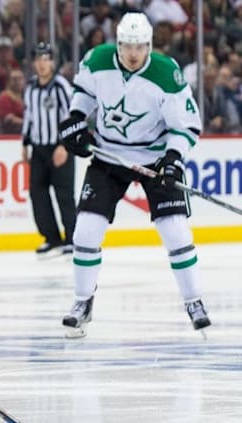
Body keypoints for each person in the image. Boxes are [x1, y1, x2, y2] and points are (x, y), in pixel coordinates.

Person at [58, 12, 210, 338]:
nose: (132, 54)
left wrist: (172, 159)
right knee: (85, 231)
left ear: (149, 45)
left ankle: (193, 301)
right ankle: (82, 302)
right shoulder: (98, 60)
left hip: (154, 157)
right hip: (108, 154)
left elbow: (187, 127)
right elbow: (83, 93)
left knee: (176, 231)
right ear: (118, 42)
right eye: (127, 46)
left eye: (139, 47)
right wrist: (74, 119)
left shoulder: (166, 73)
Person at [21, 42, 76, 257]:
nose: (42, 64)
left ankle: (72, 237)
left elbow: (71, 115)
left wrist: (64, 145)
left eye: (46, 59)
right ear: (34, 63)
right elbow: (29, 117)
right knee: (38, 193)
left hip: (59, 146)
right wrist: (25, 144)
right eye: (38, 59)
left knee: (64, 193)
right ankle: (51, 237)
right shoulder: (31, 87)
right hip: (39, 147)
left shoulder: (61, 86)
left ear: (52, 62)